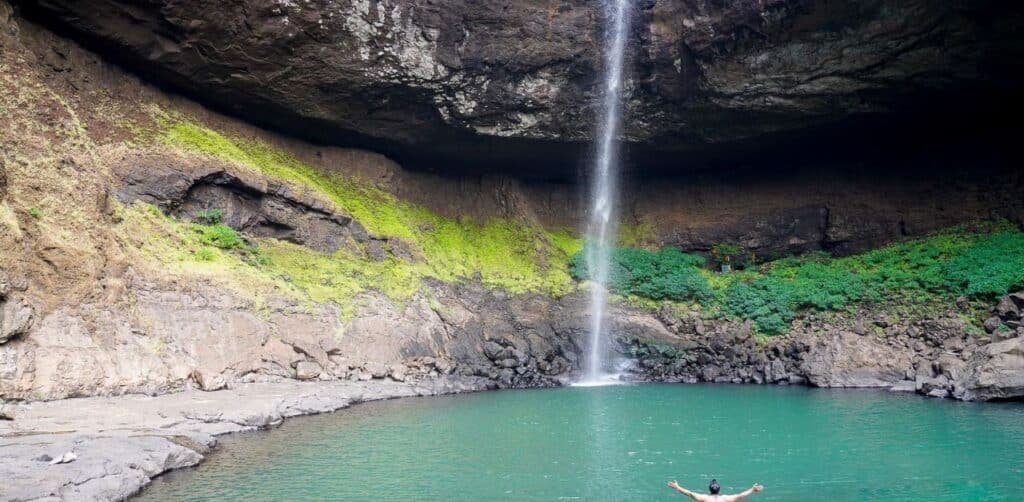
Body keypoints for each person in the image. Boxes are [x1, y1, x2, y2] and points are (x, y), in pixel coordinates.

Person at [667, 478, 763, 501]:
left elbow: (689, 493)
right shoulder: (726, 498)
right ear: (719, 490)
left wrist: (677, 487)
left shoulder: (703, 498)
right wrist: (752, 489)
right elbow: (741, 495)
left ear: (709, 489)